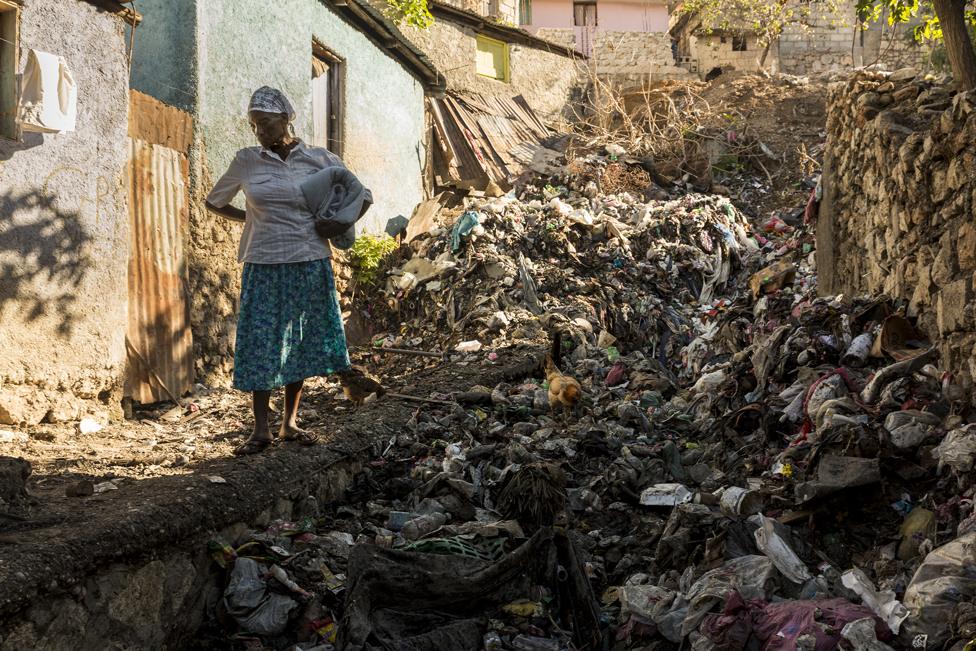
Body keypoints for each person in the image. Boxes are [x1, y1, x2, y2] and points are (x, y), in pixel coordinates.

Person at [205, 86, 364, 455]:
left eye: (265, 123)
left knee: (299, 342)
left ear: (285, 119)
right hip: (262, 261)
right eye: (254, 125)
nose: (259, 131)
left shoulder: (319, 159)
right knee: (261, 343)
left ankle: (289, 423)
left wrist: (338, 222)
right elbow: (215, 201)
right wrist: (252, 219)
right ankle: (260, 430)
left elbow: (357, 194)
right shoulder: (246, 161)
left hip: (309, 259)